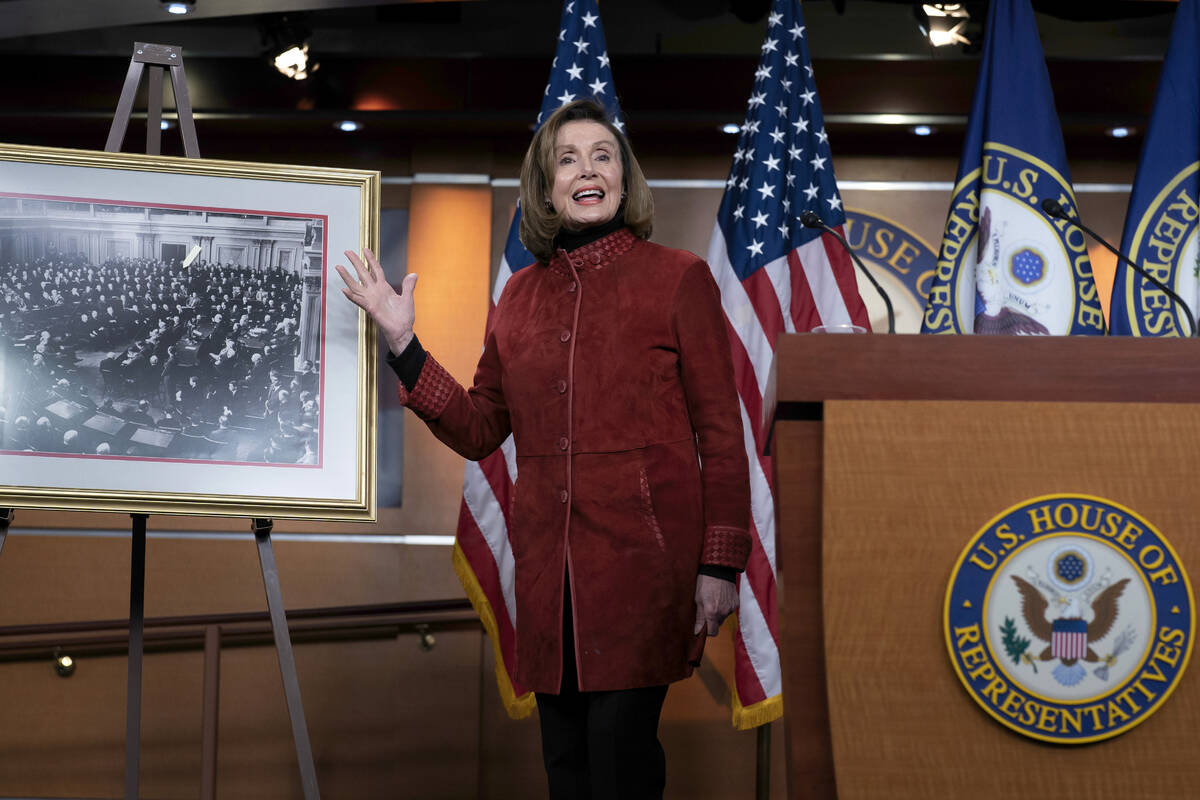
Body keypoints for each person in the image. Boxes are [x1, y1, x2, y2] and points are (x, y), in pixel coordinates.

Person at [337, 99, 750, 800]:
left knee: (620, 767)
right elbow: (477, 427)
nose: (586, 170)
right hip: (547, 581)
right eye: (567, 159)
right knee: (567, 772)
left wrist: (721, 561)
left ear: (624, 179)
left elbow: (721, 432)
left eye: (602, 156)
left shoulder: (678, 278)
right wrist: (403, 344)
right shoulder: (519, 299)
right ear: (546, 186)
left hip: (643, 575)